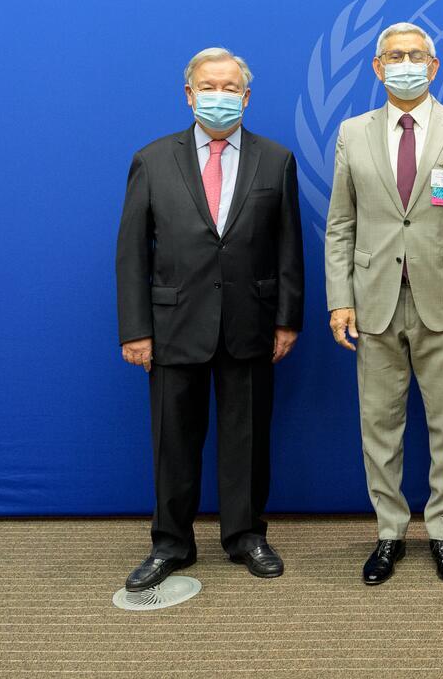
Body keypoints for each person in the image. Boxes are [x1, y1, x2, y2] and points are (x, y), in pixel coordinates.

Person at [116, 47, 304, 591]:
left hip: (251, 322)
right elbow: (132, 253)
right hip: (173, 325)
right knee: (173, 440)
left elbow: (289, 249)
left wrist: (287, 320)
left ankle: (246, 536)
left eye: (230, 88)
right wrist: (136, 329)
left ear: (246, 97)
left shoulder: (276, 160)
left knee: (248, 439)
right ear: (189, 94)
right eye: (208, 87)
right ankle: (171, 543)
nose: (219, 97)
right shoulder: (152, 159)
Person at [325, 22, 443, 585]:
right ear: (378, 68)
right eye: (394, 56)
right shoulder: (352, 132)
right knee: (379, 425)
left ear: (434, 65)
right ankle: (389, 532)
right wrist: (339, 299)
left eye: (415, 55)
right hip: (373, 302)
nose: (405, 64)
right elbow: (341, 225)